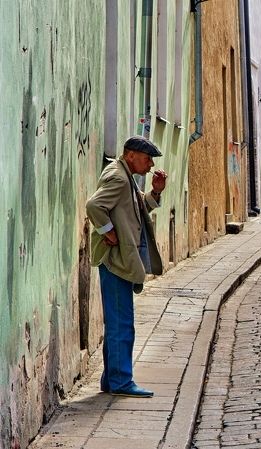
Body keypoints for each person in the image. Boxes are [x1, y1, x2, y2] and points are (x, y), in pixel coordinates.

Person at [85, 136, 168, 398]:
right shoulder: (120, 178)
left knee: (116, 323)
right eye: (147, 159)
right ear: (131, 155)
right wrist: (107, 231)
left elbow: (136, 208)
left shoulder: (123, 174)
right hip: (116, 260)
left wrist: (155, 192)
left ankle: (111, 380)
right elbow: (94, 205)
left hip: (118, 259)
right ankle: (121, 381)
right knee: (122, 324)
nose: (150, 164)